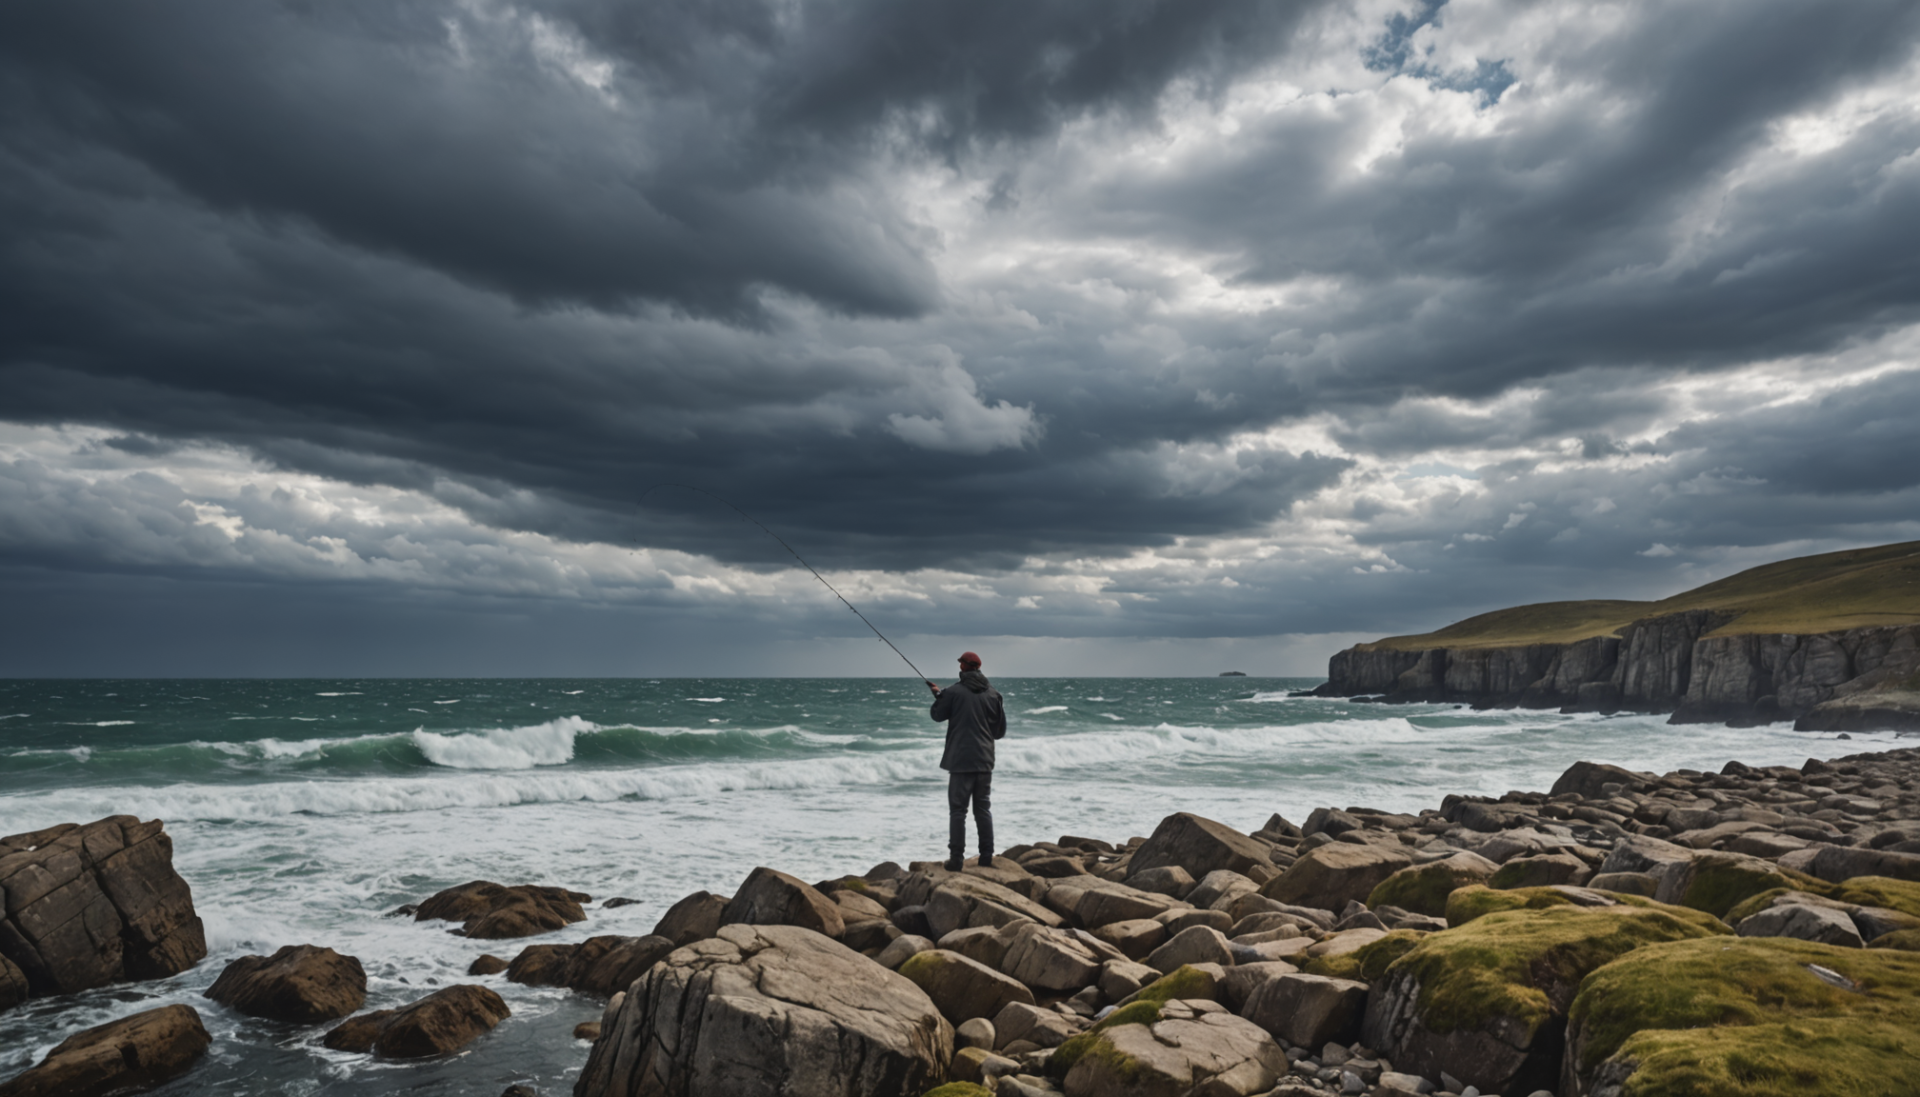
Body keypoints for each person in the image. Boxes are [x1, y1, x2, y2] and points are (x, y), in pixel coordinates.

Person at [927, 650, 1006, 871]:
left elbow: (937, 715)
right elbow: (999, 732)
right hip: (985, 760)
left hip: (961, 760)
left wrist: (939, 696)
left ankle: (956, 860)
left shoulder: (953, 692)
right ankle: (986, 857)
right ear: (979, 668)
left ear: (962, 667)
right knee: (983, 809)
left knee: (958, 811)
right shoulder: (994, 694)